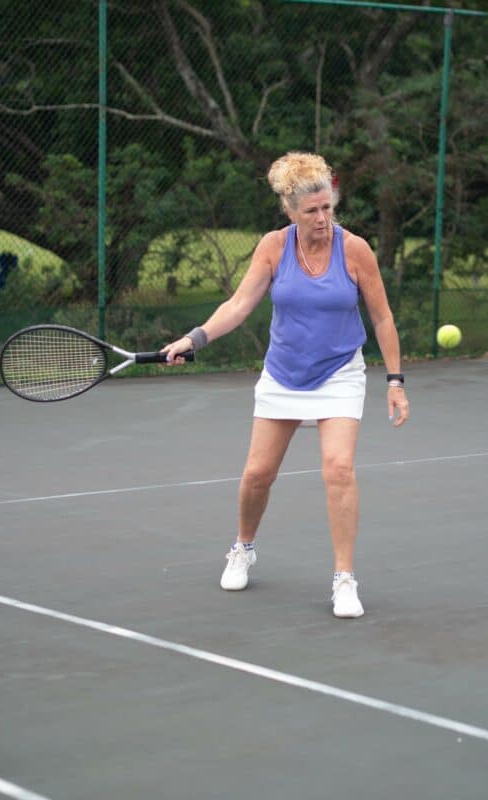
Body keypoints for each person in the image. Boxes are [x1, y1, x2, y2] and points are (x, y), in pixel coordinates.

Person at [162, 152, 409, 618]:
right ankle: (243, 546)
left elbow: (381, 316)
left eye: (328, 208)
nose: (322, 218)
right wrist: (194, 338)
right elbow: (239, 305)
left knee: (338, 469)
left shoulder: (354, 249)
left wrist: (395, 380)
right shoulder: (274, 247)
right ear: (290, 211)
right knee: (258, 474)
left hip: (339, 371)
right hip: (283, 373)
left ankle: (344, 579)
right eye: (311, 211)